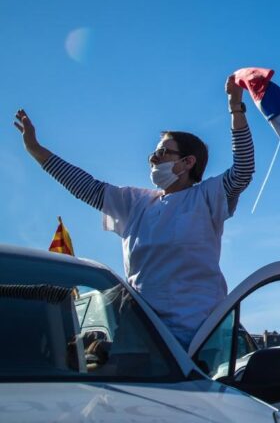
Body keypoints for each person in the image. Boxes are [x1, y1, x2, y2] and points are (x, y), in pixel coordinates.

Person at [13, 75, 255, 349]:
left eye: (163, 152)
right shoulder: (135, 203)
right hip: (143, 339)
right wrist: (36, 150)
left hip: (203, 339)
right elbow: (85, 186)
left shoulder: (206, 197)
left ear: (188, 162)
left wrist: (235, 106)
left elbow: (243, 170)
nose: (153, 158)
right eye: (153, 152)